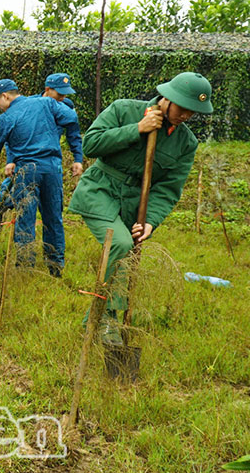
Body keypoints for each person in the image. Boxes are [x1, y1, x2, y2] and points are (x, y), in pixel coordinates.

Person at [69, 72, 210, 345]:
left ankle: (99, 319)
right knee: (120, 244)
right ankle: (104, 317)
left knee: (128, 257)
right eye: (182, 108)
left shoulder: (186, 143)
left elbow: (169, 188)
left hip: (137, 203)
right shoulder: (124, 109)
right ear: (167, 99)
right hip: (100, 190)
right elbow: (91, 144)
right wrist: (137, 129)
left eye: (193, 112)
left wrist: (150, 222)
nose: (186, 116)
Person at [0, 79, 83, 276]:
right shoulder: (45, 103)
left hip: (28, 171)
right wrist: (77, 156)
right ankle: (56, 268)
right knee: (53, 219)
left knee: (26, 218)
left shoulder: (6, 119)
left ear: (4, 96)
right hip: (52, 169)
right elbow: (72, 118)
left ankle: (25, 268)